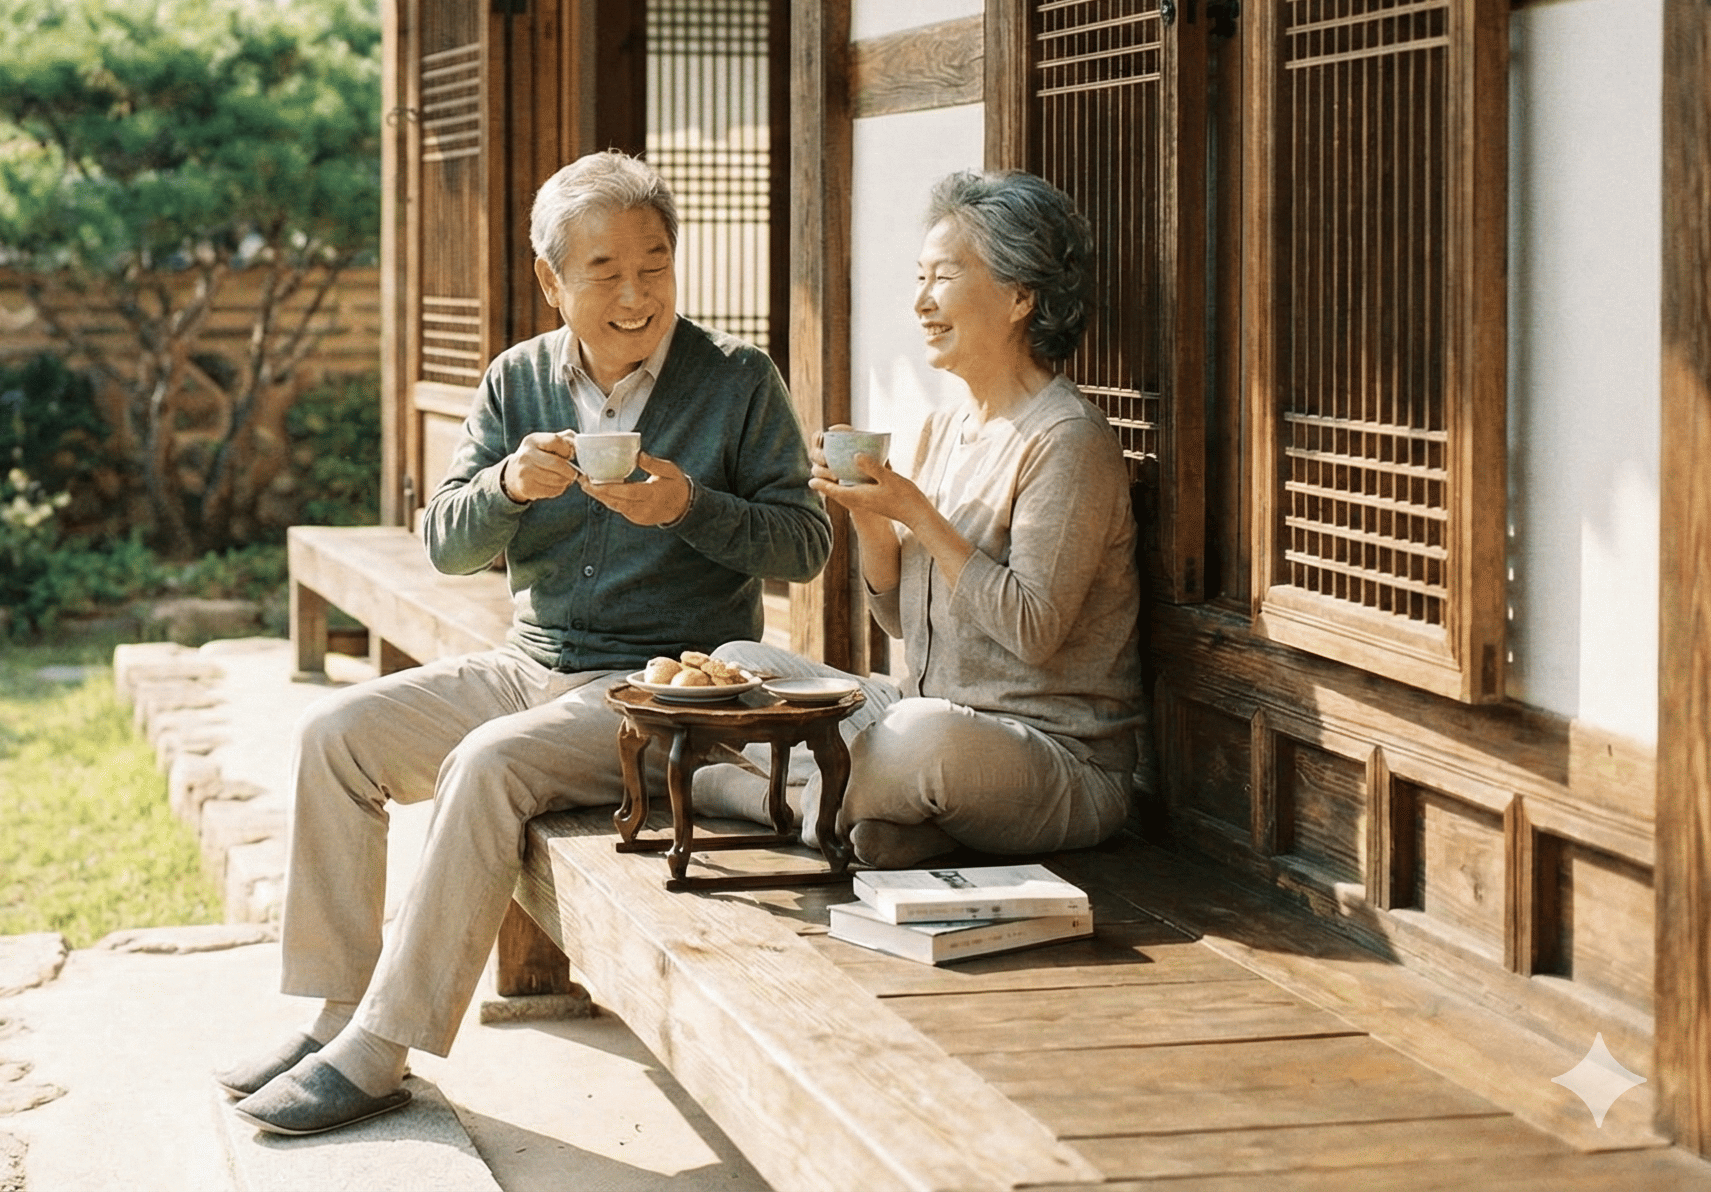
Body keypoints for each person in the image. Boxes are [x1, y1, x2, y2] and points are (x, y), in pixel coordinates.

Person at [222, 150, 831, 1137]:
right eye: (604, 271)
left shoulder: (736, 382)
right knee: (333, 735)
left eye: (653, 264)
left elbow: (802, 544)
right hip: (528, 662)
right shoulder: (515, 380)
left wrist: (689, 504)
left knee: (489, 762)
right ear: (551, 282)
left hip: (661, 690)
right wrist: (507, 486)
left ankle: (383, 1050)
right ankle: (336, 1014)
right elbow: (442, 541)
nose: (634, 293)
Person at [694, 169, 1142, 869]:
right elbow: (904, 623)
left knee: (913, 739)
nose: (921, 302)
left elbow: (1034, 629)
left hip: (1053, 756)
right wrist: (875, 525)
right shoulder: (943, 428)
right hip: (921, 709)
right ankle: (882, 818)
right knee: (738, 668)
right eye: (919, 278)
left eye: (944, 278)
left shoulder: (1068, 439)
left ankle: (772, 801)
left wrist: (917, 512)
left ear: (1021, 296)